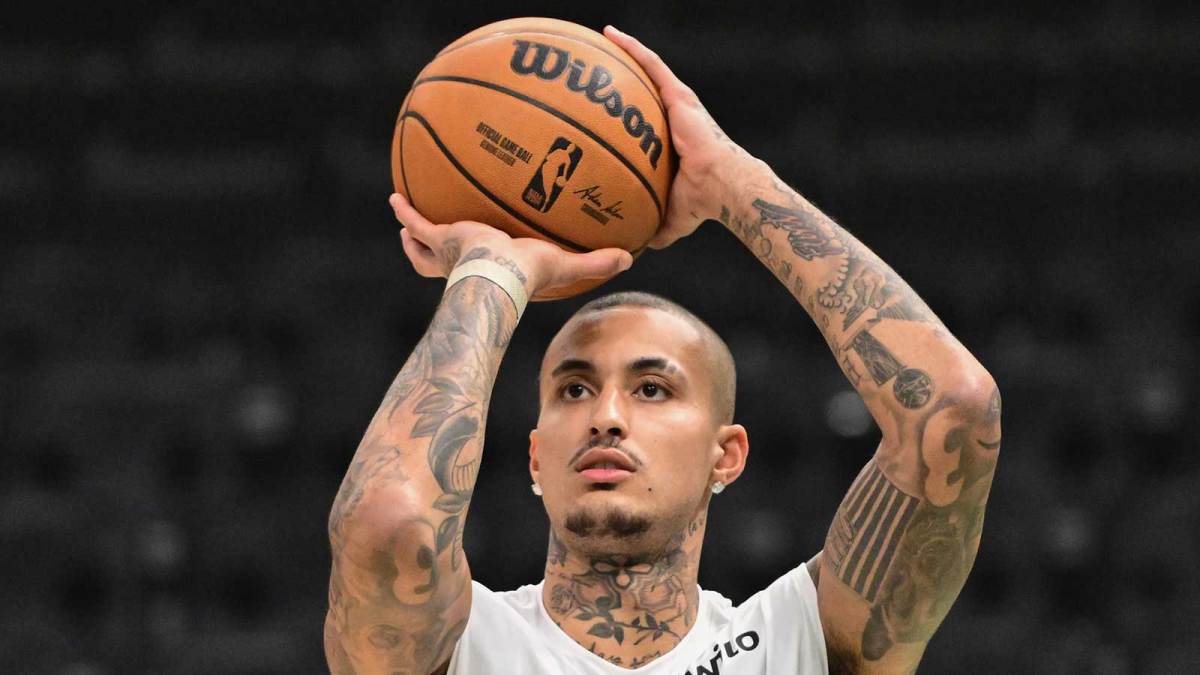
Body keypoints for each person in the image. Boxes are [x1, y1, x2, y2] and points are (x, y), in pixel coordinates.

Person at [324, 25, 1001, 675]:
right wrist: (490, 273)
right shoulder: (466, 648)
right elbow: (390, 527)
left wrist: (728, 180)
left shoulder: (797, 644)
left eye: (652, 388)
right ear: (535, 455)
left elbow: (954, 411)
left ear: (726, 454)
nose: (606, 415)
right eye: (573, 388)